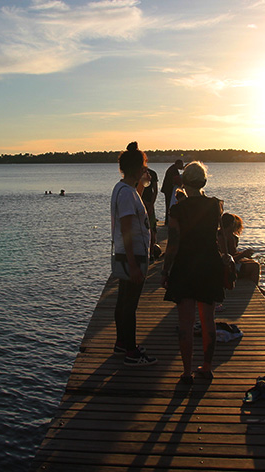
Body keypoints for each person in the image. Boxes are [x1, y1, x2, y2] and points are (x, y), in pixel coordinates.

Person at [162, 161, 226, 383]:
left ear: (184, 182)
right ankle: (207, 367)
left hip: (185, 267)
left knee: (186, 324)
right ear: (204, 182)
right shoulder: (215, 205)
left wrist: (164, 270)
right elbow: (220, 237)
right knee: (208, 321)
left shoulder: (177, 210)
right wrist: (226, 258)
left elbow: (173, 245)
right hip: (209, 265)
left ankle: (187, 371)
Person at [110, 142, 157, 366]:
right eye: (144, 166)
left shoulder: (123, 189)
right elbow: (127, 228)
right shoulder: (127, 194)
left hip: (123, 253)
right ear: (138, 168)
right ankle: (131, 351)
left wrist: (142, 186)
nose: (145, 170)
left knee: (123, 302)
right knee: (130, 305)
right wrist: (134, 264)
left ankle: (122, 343)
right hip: (133, 255)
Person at [219, 213, 260, 283]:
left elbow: (233, 254)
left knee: (251, 261)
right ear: (231, 224)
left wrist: (244, 254)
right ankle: (254, 287)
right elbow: (227, 259)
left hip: (230, 263)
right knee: (255, 266)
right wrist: (242, 254)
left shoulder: (227, 235)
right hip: (226, 267)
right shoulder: (222, 237)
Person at [139, 166, 159, 258]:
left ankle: (150, 253)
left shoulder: (152, 174)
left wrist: (151, 205)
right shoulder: (137, 174)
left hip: (148, 202)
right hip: (141, 203)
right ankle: (146, 253)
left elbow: (155, 191)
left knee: (152, 228)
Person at [161, 159, 183, 225]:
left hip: (167, 189)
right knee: (169, 205)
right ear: (178, 164)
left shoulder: (172, 168)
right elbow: (177, 180)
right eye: (181, 165)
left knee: (168, 205)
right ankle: (168, 221)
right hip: (169, 190)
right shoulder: (174, 170)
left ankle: (167, 220)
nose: (182, 166)